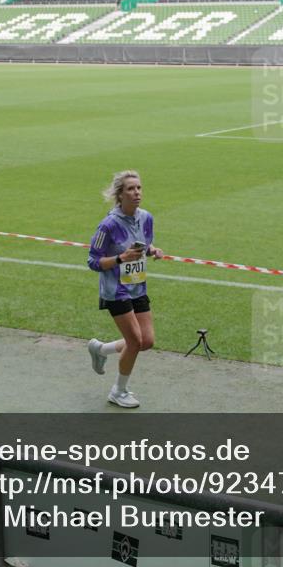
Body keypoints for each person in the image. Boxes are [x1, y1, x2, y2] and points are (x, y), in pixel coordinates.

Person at [86, 170, 163, 408]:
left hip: (137, 286)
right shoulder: (108, 225)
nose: (137, 193)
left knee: (146, 340)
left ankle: (101, 349)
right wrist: (121, 258)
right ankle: (118, 391)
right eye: (131, 189)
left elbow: (144, 244)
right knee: (135, 341)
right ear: (120, 195)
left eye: (139, 188)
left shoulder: (146, 218)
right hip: (115, 290)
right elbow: (93, 261)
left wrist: (152, 251)